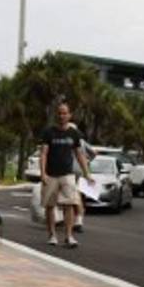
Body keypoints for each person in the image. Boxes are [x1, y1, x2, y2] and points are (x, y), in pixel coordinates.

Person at [40, 102, 93, 248]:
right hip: (51, 174)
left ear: (69, 115)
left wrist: (87, 174)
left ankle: (69, 236)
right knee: (50, 206)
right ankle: (52, 235)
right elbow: (43, 153)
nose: (62, 116)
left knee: (69, 205)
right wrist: (43, 173)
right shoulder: (48, 132)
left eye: (64, 113)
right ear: (56, 115)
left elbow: (79, 154)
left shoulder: (74, 133)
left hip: (67, 175)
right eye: (59, 113)